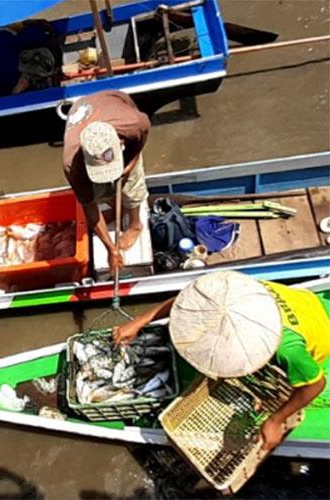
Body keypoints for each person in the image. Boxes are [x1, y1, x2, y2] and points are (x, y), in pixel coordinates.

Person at [112, 271, 329, 451]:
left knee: (291, 385)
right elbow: (185, 302)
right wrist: (140, 322)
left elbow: (316, 384)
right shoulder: (233, 291)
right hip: (305, 303)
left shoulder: (288, 350)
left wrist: (276, 419)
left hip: (320, 335)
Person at [62, 90, 151, 273]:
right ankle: (115, 206)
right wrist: (110, 248)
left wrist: (129, 165)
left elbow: (140, 141)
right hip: (82, 109)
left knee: (132, 185)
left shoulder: (135, 123)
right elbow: (89, 206)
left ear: (120, 141)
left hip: (114, 104)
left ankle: (135, 225)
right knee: (99, 192)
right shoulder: (73, 165)